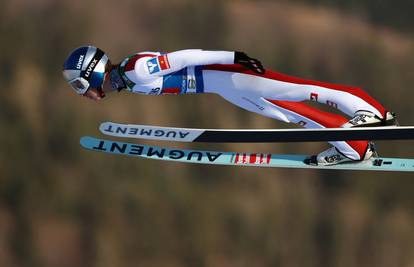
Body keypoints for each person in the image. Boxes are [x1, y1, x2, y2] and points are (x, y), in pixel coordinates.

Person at [62, 46, 398, 166]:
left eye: (78, 85)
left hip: (230, 75)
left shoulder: (134, 70)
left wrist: (233, 58)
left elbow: (184, 57)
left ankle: (373, 111)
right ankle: (353, 146)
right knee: (288, 113)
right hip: (224, 88)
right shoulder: (127, 79)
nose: (81, 93)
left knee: (304, 91)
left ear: (91, 74)